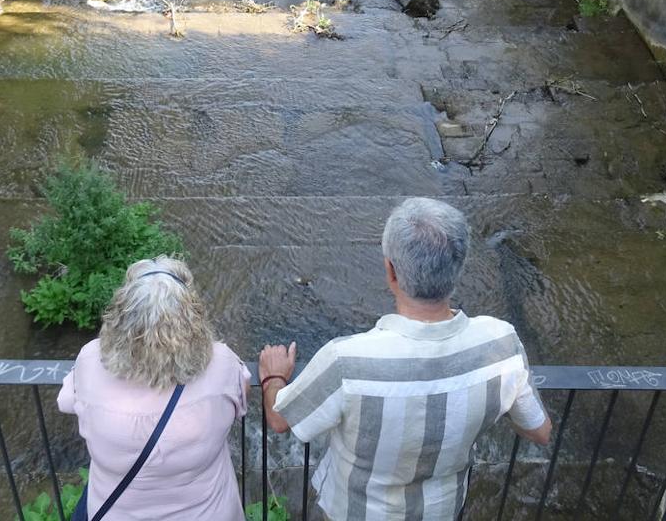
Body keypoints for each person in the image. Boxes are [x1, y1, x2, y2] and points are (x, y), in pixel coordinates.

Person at [258, 198, 552, 520]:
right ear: (459, 267)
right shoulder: (501, 344)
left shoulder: (346, 360)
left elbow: (280, 419)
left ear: (391, 271)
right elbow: (539, 431)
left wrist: (274, 377)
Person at [58, 256, 249, 520]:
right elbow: (240, 400)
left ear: (120, 316)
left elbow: (66, 402)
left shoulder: (91, 361)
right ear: (193, 317)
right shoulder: (222, 363)